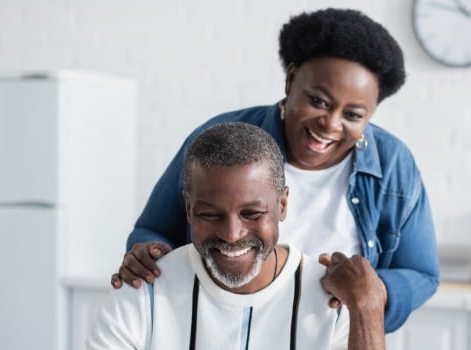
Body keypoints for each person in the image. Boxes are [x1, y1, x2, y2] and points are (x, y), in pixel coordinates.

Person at [112, 7, 439, 332]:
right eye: (319, 101)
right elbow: (153, 231)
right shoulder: (222, 139)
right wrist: (151, 257)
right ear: (291, 79)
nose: (330, 124)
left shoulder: (394, 164)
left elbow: (422, 273)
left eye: (353, 115)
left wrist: (371, 290)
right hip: (216, 330)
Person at [88, 122, 385, 349]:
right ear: (188, 208)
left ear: (282, 204)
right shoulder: (144, 290)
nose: (231, 235)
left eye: (252, 214)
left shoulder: (332, 299)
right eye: (211, 214)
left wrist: (368, 309)